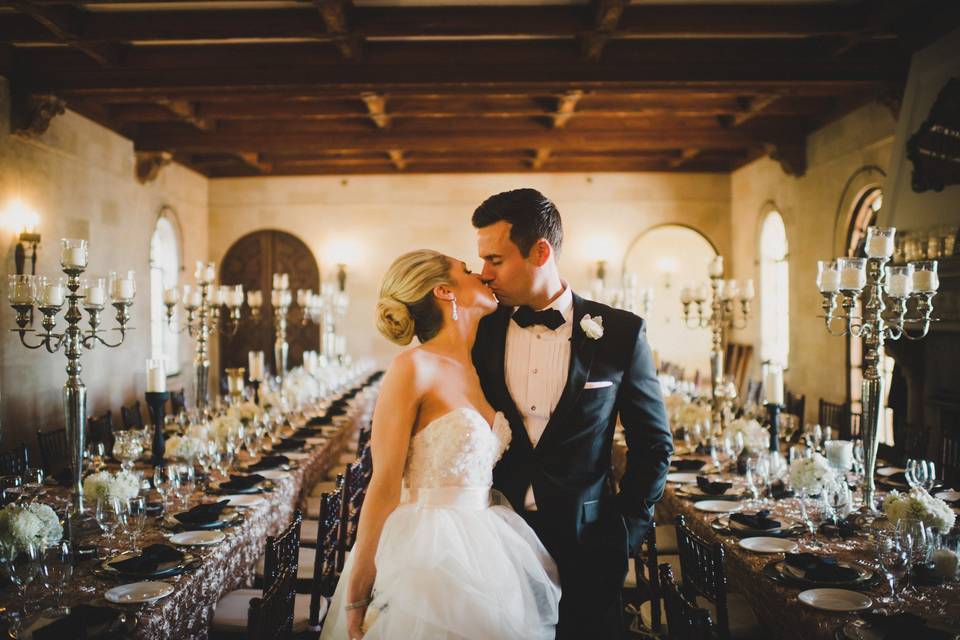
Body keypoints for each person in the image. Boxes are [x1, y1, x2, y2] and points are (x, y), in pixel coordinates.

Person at [321, 249, 561, 639]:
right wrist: (356, 593)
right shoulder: (413, 367)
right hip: (428, 550)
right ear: (445, 291)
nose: (482, 275)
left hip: (489, 546)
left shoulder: (481, 366)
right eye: (467, 270)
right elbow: (382, 485)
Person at [472, 188, 673, 639]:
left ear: (540, 251)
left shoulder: (621, 332)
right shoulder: (480, 333)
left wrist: (625, 533)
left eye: (495, 260)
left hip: (589, 545)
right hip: (496, 540)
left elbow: (654, 443)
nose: (484, 274)